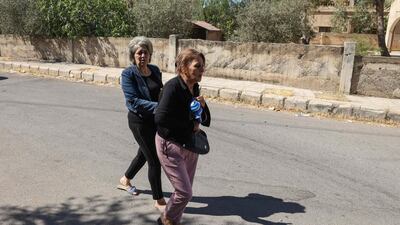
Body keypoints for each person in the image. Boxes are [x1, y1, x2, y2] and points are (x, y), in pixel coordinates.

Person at [155, 48, 211, 225]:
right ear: (184, 67)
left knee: (184, 192)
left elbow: (205, 120)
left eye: (203, 66)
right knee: (185, 193)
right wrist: (190, 126)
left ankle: (172, 221)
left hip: (190, 145)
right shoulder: (172, 87)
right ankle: (166, 219)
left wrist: (203, 106)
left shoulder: (194, 87)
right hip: (170, 144)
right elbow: (160, 118)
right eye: (198, 66)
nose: (202, 70)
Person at [118, 36, 166, 211]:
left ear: (150, 54)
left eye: (145, 52)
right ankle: (159, 200)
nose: (142, 56)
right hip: (139, 121)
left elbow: (160, 92)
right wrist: (160, 107)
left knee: (143, 154)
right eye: (139, 53)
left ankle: (125, 179)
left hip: (154, 119)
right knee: (154, 159)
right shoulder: (128, 74)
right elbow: (133, 101)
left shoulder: (155, 70)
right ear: (133, 55)